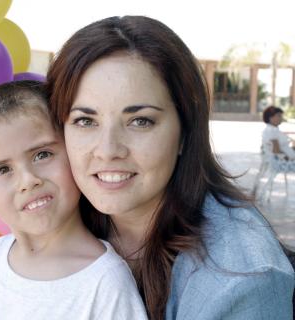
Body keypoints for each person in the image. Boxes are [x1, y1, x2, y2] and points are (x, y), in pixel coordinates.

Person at [46, 16, 295, 319]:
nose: (108, 150)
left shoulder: (241, 281)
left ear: (185, 132)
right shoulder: (50, 224)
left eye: (140, 121)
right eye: (86, 121)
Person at [0, 81, 148, 319]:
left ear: (73, 153)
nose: (28, 180)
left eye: (42, 155)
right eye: (2, 170)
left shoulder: (106, 283)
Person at [262, 105, 295, 171]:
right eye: (279, 116)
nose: (281, 118)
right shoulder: (272, 131)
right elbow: (276, 151)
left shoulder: (272, 129)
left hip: (284, 161)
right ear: (270, 118)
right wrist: (289, 158)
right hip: (283, 163)